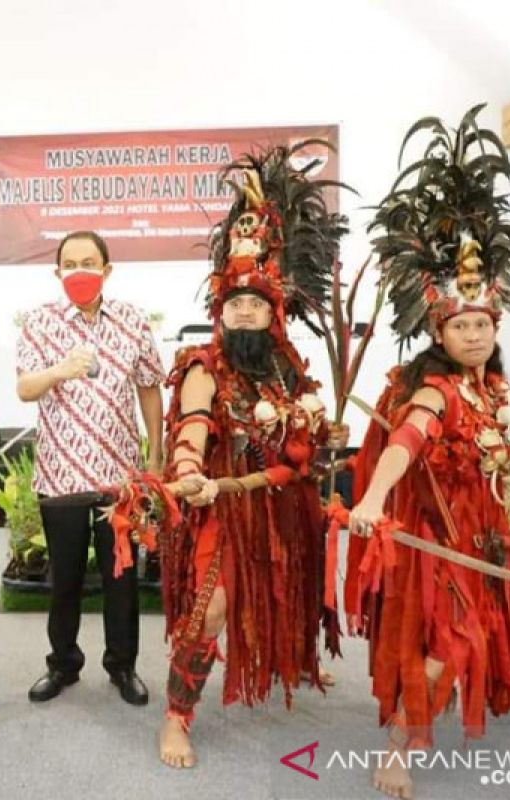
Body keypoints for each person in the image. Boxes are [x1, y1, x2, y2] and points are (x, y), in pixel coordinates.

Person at [345, 106, 510, 799]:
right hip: (440, 546)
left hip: (493, 544)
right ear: (440, 333)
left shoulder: (499, 392)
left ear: (493, 327)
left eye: (482, 324)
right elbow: (404, 446)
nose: (473, 335)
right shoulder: (438, 392)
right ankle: (399, 747)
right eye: (461, 325)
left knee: (474, 642)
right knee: (445, 650)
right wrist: (373, 500)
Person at [155, 148, 349, 768]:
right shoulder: (203, 366)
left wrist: (329, 437)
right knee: (210, 606)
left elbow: (308, 440)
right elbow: (189, 424)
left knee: (288, 589)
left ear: (273, 313)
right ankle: (177, 716)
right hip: (224, 508)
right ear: (220, 311)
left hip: (286, 508)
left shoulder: (290, 369)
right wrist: (188, 470)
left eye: (255, 303)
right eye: (234, 303)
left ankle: (288, 667)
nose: (244, 311)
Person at [17, 231, 164, 706]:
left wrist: (156, 455)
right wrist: (60, 369)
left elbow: (148, 387)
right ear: (57, 272)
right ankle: (63, 664)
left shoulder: (133, 321)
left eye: (88, 262)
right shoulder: (40, 322)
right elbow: (25, 388)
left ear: (107, 269)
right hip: (61, 474)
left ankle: (122, 666)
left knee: (122, 578)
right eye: (69, 263)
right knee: (65, 579)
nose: (79, 271)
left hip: (119, 476)